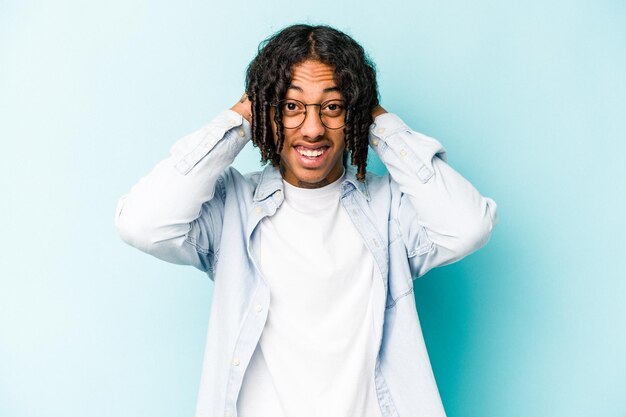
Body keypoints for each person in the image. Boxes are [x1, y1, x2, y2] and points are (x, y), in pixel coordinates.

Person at [115, 24, 497, 417]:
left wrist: (380, 123)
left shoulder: (391, 209)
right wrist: (240, 118)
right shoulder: (232, 206)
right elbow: (143, 223)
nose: (312, 130)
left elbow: (468, 226)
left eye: (332, 107)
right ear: (267, 113)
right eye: (290, 106)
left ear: (354, 115)